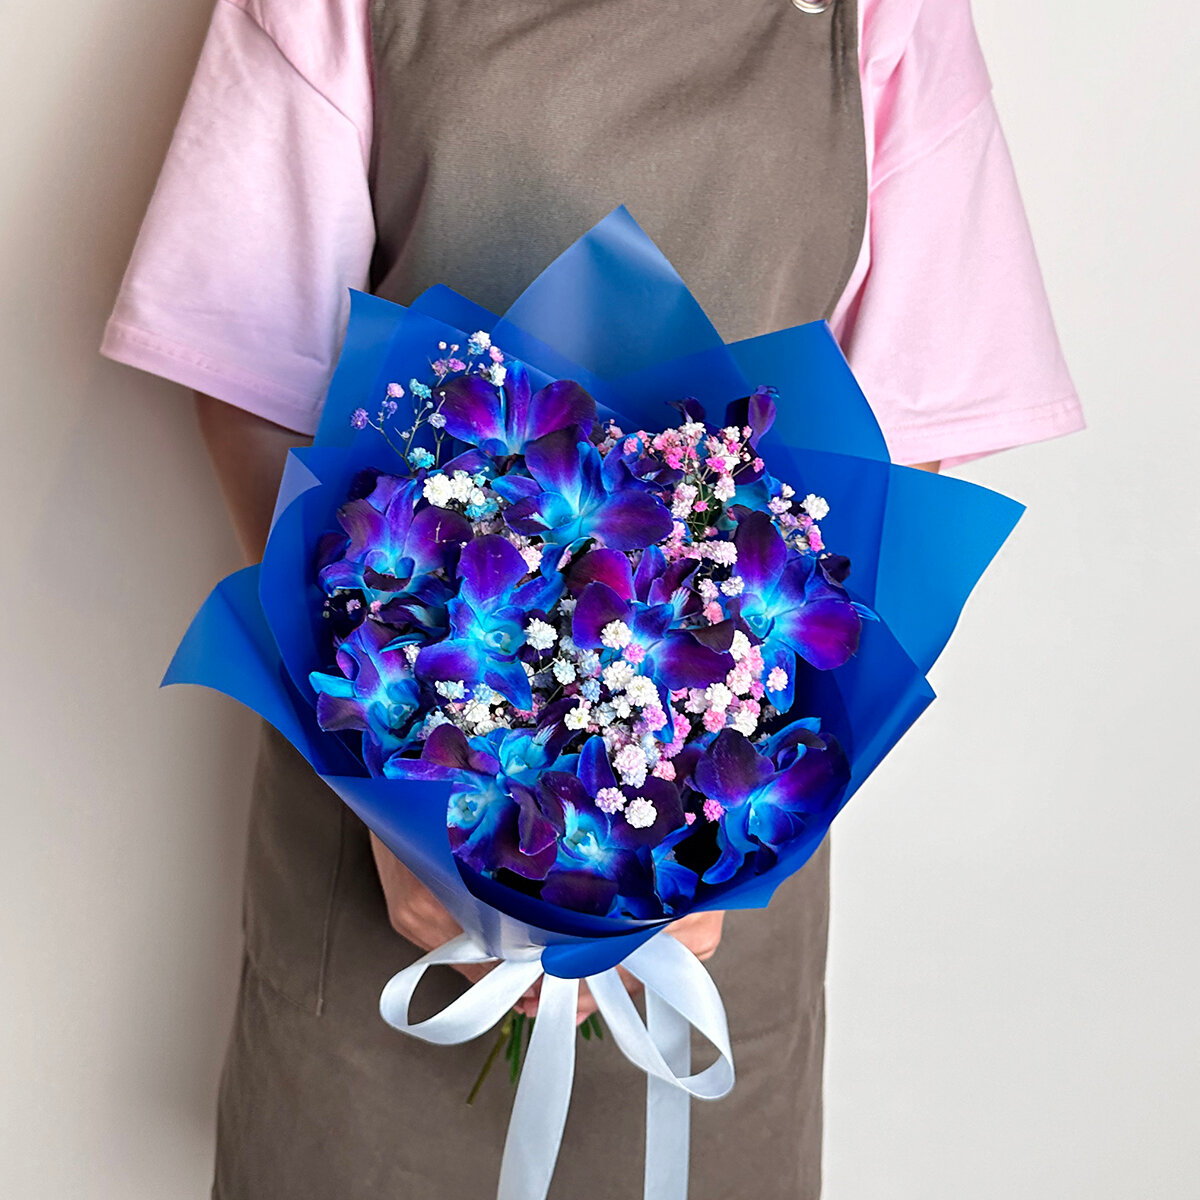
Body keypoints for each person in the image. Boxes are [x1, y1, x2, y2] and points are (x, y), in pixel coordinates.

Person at [101, 1, 1084, 1196]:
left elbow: (910, 431)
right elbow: (251, 368)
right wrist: (409, 802)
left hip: (719, 844)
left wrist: (707, 819)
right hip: (383, 835)